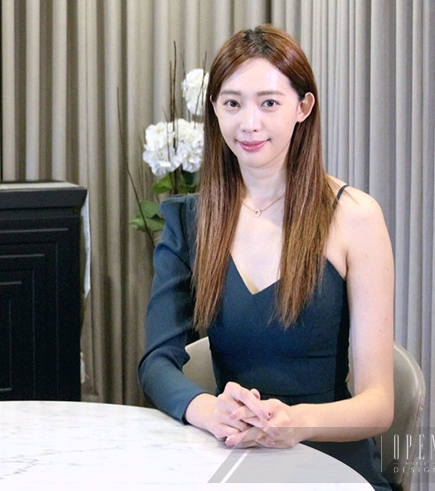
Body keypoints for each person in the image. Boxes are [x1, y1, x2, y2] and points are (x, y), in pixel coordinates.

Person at [138, 25, 393, 489]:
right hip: (237, 459)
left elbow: (378, 405)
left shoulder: (355, 217)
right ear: (214, 109)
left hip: (333, 468)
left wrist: (297, 423)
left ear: (303, 107)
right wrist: (209, 410)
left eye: (269, 103)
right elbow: (156, 362)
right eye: (232, 103)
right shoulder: (191, 221)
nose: (249, 123)